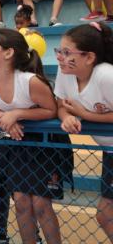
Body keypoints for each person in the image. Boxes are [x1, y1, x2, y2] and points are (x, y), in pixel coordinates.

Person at [0, 28, 62, 244]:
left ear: (8, 53)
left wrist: (17, 114)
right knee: (21, 203)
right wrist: (5, 117)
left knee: (41, 204)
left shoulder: (30, 80)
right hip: (13, 143)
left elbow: (51, 110)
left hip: (42, 145)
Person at [53, 22, 113, 241]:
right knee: (105, 215)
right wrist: (67, 117)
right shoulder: (66, 72)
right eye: (59, 51)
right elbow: (61, 105)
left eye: (67, 52)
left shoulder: (106, 75)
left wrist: (86, 116)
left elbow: (83, 112)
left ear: (89, 57)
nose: (60, 56)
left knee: (106, 214)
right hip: (109, 151)